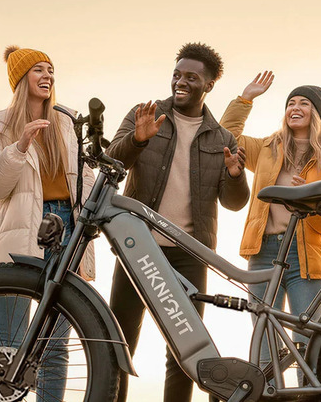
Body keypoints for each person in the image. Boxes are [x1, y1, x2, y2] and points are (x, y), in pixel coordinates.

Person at [106, 42, 250, 402]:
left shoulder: (222, 138)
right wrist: (138, 140)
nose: (180, 82)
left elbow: (234, 203)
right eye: (176, 75)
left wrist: (235, 175)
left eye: (191, 77)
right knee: (118, 340)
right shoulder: (147, 114)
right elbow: (111, 160)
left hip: (189, 253)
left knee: (185, 353)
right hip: (138, 245)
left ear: (208, 85)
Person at [0, 46, 96, 400]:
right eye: (38, 70)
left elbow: (83, 178)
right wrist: (20, 145)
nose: (47, 76)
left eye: (50, 70)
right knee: (9, 345)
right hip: (19, 233)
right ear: (20, 79)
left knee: (56, 344)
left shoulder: (66, 122)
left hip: (67, 232)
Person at [219, 72, 321, 384]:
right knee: (265, 342)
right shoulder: (266, 147)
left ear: (316, 113)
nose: (295, 107)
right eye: (290, 102)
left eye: (304, 102)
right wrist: (245, 98)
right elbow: (224, 136)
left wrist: (312, 201)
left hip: (307, 258)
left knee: (308, 341)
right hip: (262, 253)